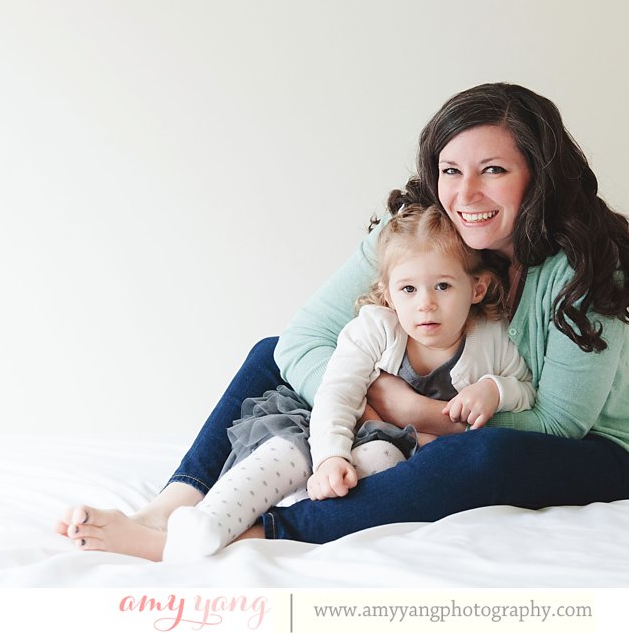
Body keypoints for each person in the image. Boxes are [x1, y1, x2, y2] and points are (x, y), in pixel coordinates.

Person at [57, 81, 629, 559]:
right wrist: (368, 391)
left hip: (596, 448)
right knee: (270, 352)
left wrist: (414, 412)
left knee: (479, 460)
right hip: (427, 410)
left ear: (538, 176)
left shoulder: (582, 265)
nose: (467, 195)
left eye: (495, 170)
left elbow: (559, 423)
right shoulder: (419, 235)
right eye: (452, 171)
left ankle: (253, 535)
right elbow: (303, 340)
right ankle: (170, 507)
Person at [160, 204, 535, 557]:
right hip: (327, 423)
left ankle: (299, 515)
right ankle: (209, 520)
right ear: (389, 294)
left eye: (443, 287)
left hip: (394, 446)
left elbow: (526, 391)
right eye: (409, 289)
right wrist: (329, 456)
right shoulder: (375, 328)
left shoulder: (491, 340)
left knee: (379, 458)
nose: (425, 304)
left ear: (478, 288)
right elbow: (337, 395)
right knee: (289, 452)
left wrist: (496, 390)